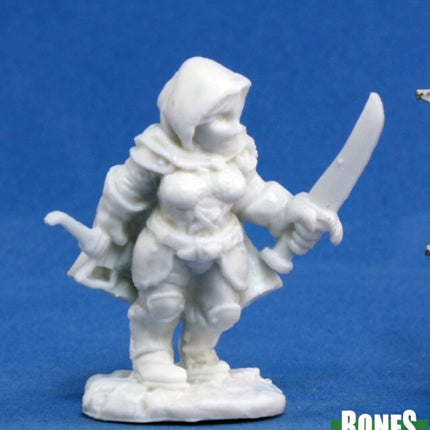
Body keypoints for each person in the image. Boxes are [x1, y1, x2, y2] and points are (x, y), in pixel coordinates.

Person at [51, 57, 342, 388]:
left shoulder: (236, 153)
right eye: (223, 117)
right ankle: (151, 358)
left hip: (224, 246)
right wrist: (107, 230)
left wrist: (291, 211)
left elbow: (255, 196)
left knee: (222, 310)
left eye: (237, 115)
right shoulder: (157, 153)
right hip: (165, 246)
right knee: (162, 306)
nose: (236, 127)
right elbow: (123, 193)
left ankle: (200, 355)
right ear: (191, 118)